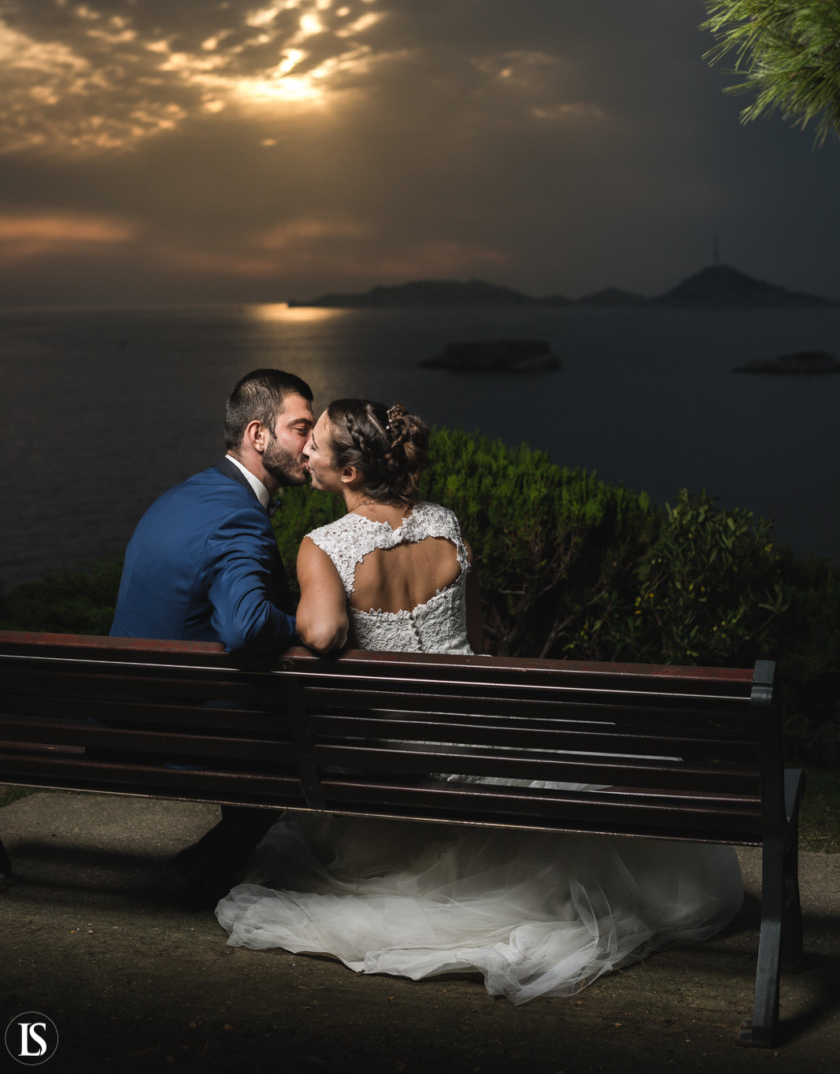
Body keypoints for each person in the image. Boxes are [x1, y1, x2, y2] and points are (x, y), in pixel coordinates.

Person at [215, 398, 743, 1002]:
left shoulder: (323, 546)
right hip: (477, 718)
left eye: (318, 443)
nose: (305, 449)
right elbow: (477, 638)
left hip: (395, 746)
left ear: (350, 473)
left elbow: (323, 634)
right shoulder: (447, 523)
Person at [110, 368, 315, 905]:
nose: (312, 446)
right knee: (307, 733)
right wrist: (307, 626)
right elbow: (246, 628)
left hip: (122, 709)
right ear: (257, 435)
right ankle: (210, 865)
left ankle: (215, 859)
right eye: (301, 428)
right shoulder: (237, 517)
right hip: (179, 724)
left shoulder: (185, 496)